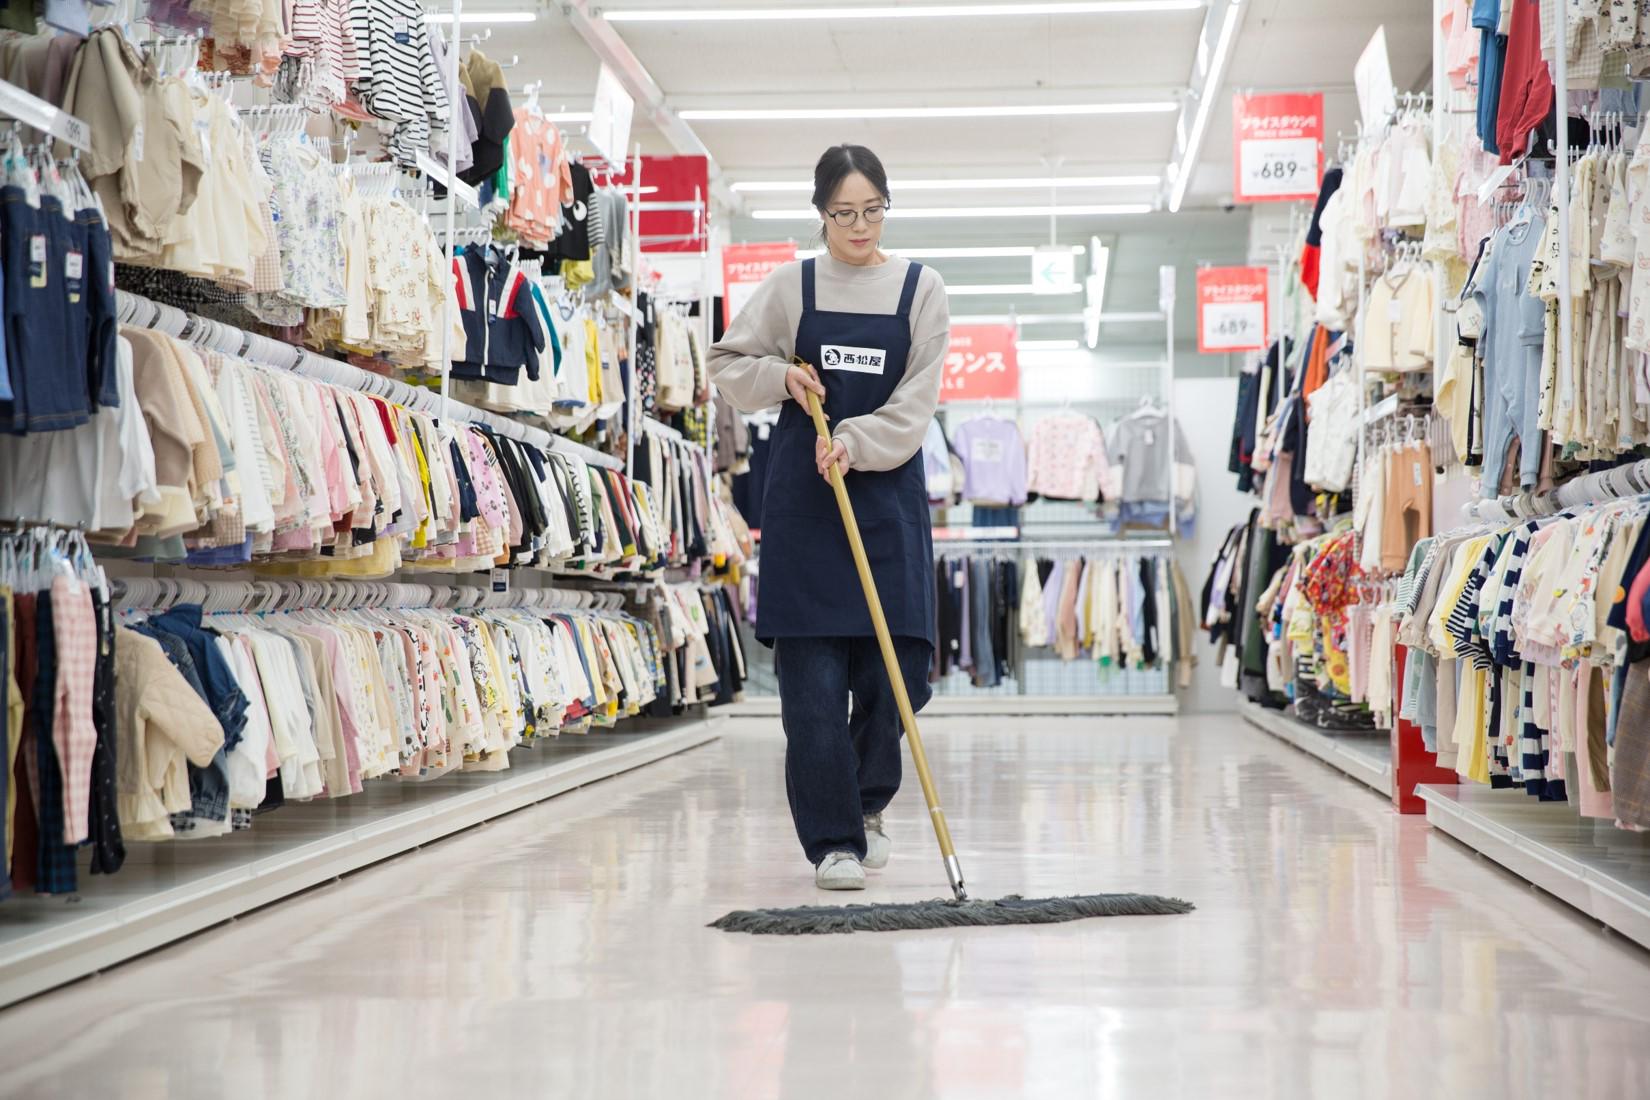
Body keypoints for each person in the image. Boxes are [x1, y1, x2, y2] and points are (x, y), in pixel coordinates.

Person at [708, 144, 951, 890]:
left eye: (872, 211)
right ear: (820, 215)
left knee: (898, 673)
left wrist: (853, 441)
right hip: (808, 507)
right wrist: (780, 375)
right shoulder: (793, 287)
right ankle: (833, 840)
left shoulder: (920, 288)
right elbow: (724, 366)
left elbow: (915, 403)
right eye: (843, 214)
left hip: (885, 502)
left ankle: (866, 802)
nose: (859, 227)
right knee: (812, 682)